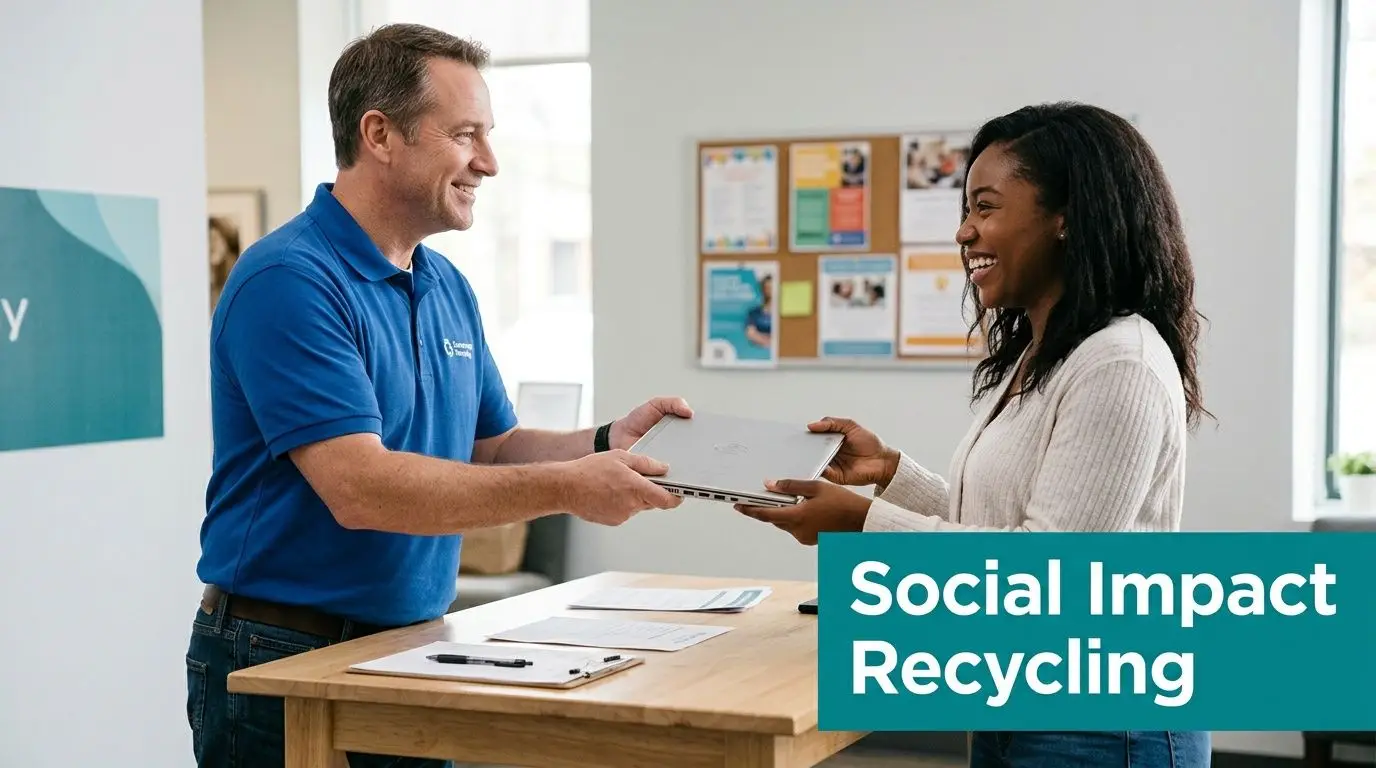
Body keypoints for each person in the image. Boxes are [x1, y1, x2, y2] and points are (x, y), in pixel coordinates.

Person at [186, 23, 691, 768]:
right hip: (281, 650)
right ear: (380, 134)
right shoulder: (290, 280)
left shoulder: (444, 282)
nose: (487, 162)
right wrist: (568, 487)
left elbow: (490, 445)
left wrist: (604, 443)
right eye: (465, 135)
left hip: (414, 642)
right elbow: (360, 488)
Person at [735, 102, 1213, 767]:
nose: (964, 233)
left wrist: (863, 524)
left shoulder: (1119, 363)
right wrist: (890, 471)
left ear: (1067, 216)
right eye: (966, 211)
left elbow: (1049, 572)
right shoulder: (1051, 354)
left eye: (985, 208)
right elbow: (1005, 522)